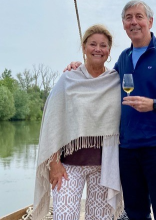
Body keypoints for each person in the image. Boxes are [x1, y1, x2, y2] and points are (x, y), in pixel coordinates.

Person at [65, 1, 156, 219]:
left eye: (139, 16)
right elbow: (102, 82)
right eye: (128, 18)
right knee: (135, 212)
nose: (134, 22)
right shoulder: (123, 58)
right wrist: (81, 66)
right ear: (124, 25)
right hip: (127, 149)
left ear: (150, 21)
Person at [34, 24, 122, 220]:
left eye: (103, 45)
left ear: (109, 51)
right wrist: (54, 163)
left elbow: (135, 104)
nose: (98, 49)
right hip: (68, 165)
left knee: (100, 218)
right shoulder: (68, 79)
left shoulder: (115, 80)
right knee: (64, 216)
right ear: (84, 47)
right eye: (93, 44)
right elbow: (53, 122)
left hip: (104, 166)